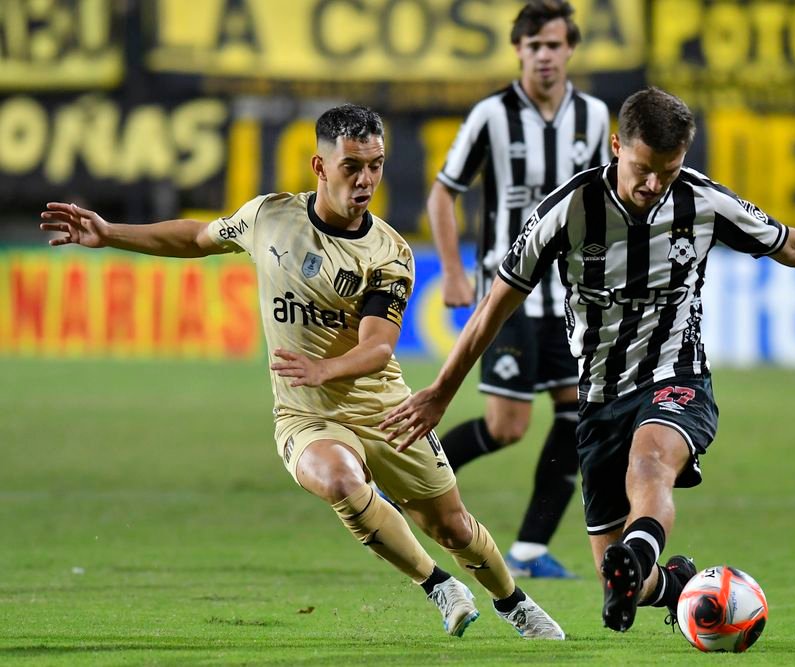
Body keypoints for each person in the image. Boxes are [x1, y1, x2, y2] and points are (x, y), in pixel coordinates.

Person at [382, 88, 795, 633]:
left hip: (677, 375)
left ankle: (637, 554)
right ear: (617, 147)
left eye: (669, 172)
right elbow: (491, 309)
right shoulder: (568, 211)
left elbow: (790, 243)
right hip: (599, 396)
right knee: (619, 581)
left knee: (650, 463)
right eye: (645, 168)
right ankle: (669, 583)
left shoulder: (703, 201)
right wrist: (442, 390)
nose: (655, 184)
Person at [39, 104, 565, 640]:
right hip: (305, 415)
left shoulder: (389, 252)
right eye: (352, 166)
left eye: (376, 166)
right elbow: (196, 239)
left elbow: (379, 347)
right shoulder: (270, 216)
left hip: (385, 410)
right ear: (319, 165)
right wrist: (111, 234)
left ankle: (514, 603)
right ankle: (438, 585)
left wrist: (325, 367)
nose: (366, 181)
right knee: (340, 479)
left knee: (451, 525)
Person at [427, 0, 609, 579]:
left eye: (554, 45)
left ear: (570, 48)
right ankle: (407, 477)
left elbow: (607, 198)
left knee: (579, 416)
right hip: (509, 294)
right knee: (508, 427)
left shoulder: (596, 117)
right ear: (518, 51)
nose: (544, 56)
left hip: (574, 297)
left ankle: (530, 549)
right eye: (533, 46)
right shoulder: (492, 115)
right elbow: (442, 193)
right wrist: (453, 272)